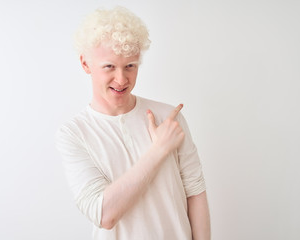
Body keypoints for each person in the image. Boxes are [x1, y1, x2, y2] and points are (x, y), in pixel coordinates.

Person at [55, 6, 211, 240]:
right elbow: (104, 214)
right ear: (86, 64)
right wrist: (159, 149)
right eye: (109, 66)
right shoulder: (74, 134)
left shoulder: (169, 118)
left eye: (130, 66)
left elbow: (195, 192)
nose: (121, 79)